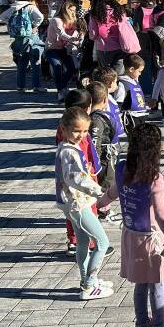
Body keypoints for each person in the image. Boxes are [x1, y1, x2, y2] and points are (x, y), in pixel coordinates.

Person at [100, 123, 164, 327]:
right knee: (156, 284)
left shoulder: (121, 169)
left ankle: (141, 326)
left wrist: (98, 203)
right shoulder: (154, 179)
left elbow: (112, 193)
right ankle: (159, 326)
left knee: (139, 284)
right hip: (151, 239)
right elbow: (162, 215)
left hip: (130, 236)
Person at [55, 107, 113, 300]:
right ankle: (89, 284)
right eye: (76, 131)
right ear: (64, 129)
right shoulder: (68, 152)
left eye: (85, 131)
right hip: (78, 205)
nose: (81, 135)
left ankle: (86, 280)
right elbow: (77, 179)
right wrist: (99, 190)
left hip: (75, 203)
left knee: (82, 243)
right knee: (102, 243)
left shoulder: (68, 148)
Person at [0, 0, 45, 93]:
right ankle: (36, 86)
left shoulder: (14, 6)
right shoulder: (30, 7)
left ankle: (20, 86)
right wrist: (34, 25)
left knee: (21, 63)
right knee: (35, 62)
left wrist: (12, 25)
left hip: (19, 39)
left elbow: (2, 17)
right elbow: (40, 17)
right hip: (31, 37)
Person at [47, 0, 83, 100]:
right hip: (51, 49)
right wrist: (72, 39)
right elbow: (61, 34)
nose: (73, 12)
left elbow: (74, 33)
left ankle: (62, 87)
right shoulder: (56, 20)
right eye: (71, 10)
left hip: (62, 48)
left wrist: (78, 38)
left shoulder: (71, 21)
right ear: (66, 10)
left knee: (71, 68)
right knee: (57, 66)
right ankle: (60, 91)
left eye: (74, 10)